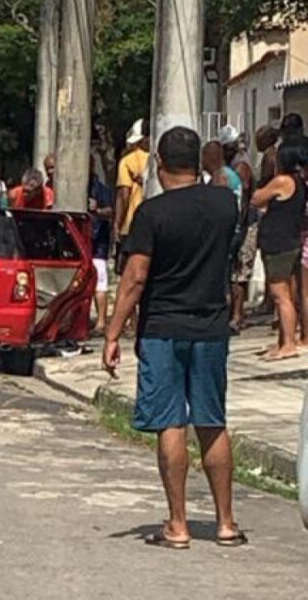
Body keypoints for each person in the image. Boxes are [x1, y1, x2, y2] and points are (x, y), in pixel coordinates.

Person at [103, 126, 243, 550]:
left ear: (159, 165)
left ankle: (178, 524)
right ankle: (226, 523)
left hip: (163, 329)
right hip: (211, 327)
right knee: (212, 422)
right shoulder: (225, 204)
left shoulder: (152, 214)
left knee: (171, 422)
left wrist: (112, 334)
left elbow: (134, 278)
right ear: (197, 163)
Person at [251, 139, 307, 361]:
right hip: (289, 241)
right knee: (288, 294)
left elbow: (256, 198)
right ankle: (284, 341)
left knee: (280, 295)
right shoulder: (299, 182)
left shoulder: (282, 181)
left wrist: (266, 176)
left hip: (279, 243)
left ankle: (289, 344)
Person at [114, 118, 150, 267]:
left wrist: (117, 223)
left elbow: (124, 194)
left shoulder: (128, 161)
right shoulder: (160, 159)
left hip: (132, 224)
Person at [88, 168, 113, 336]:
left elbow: (110, 211)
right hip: (80, 243)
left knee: (100, 284)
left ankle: (101, 321)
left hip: (98, 244)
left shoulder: (101, 189)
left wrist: (97, 210)